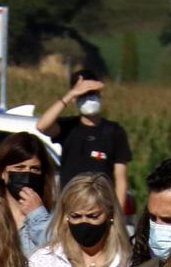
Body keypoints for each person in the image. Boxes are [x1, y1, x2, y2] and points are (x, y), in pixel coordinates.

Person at [36, 68, 132, 215]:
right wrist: (71, 94)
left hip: (102, 208)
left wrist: (117, 213)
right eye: (83, 95)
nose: (88, 99)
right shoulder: (68, 127)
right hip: (70, 207)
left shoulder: (114, 131)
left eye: (92, 94)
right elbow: (42, 126)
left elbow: (121, 178)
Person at [0, 131, 55, 253]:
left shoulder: (53, 216)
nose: (27, 174)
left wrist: (37, 214)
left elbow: (57, 252)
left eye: (35, 169)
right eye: (19, 167)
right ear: (3, 172)